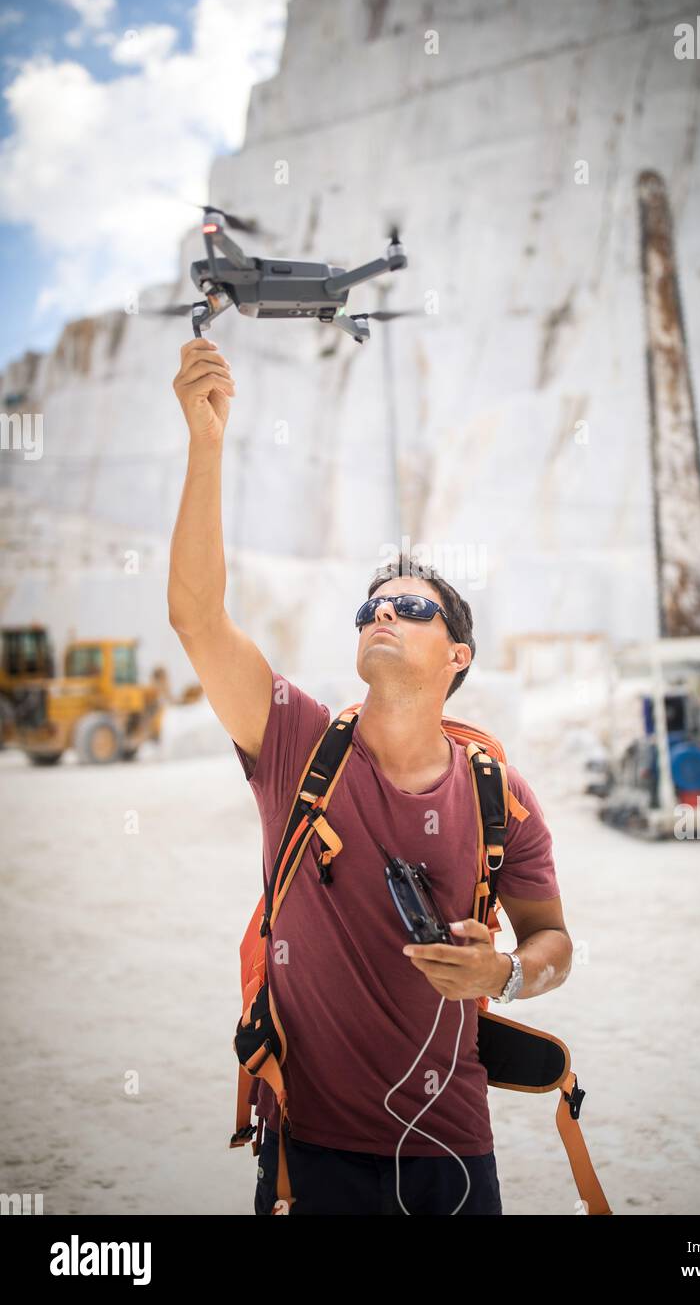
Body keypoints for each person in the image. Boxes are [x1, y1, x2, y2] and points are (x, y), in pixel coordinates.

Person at [167, 337, 573, 1215]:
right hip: (308, 1147)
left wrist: (498, 976)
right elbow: (197, 618)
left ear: (457, 654)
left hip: (453, 1153)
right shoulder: (296, 745)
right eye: (371, 606)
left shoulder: (499, 793)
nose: (384, 610)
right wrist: (206, 445)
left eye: (412, 606)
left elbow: (553, 946)